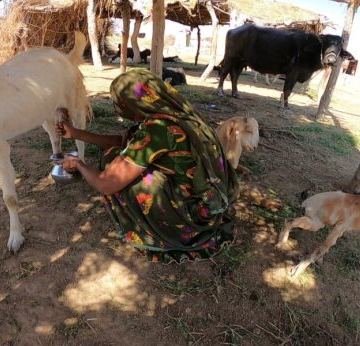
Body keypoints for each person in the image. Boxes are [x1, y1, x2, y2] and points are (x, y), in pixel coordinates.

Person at [57, 69, 238, 263]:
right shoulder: (179, 114)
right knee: (118, 156)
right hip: (208, 204)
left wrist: (79, 165)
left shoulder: (158, 129)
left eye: (119, 102)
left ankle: (159, 231)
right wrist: (76, 134)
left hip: (192, 217)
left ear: (132, 103)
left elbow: (106, 183)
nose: (117, 107)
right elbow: (123, 141)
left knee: (113, 163)